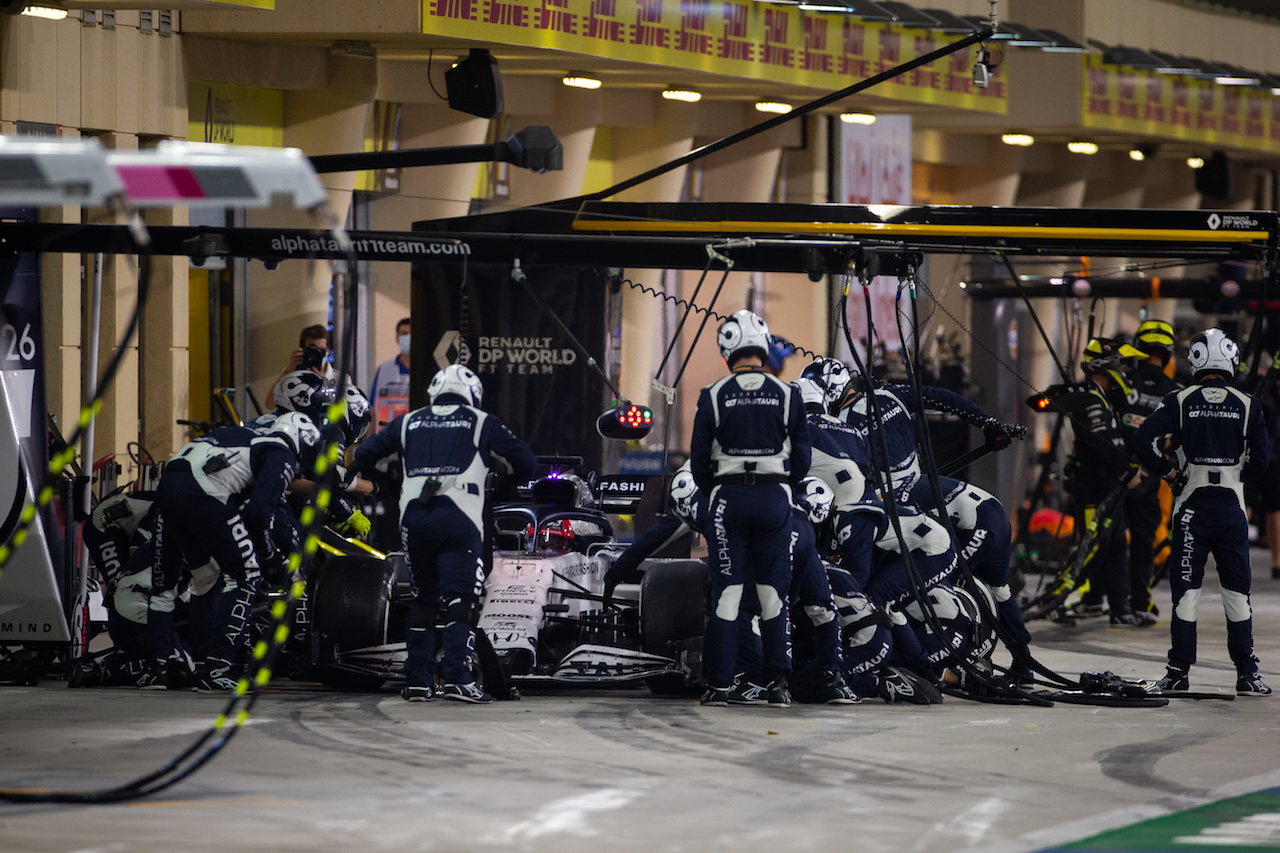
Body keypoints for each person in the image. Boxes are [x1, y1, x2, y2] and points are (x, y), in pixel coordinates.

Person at [355, 363, 536, 703]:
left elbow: (364, 454)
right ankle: (458, 678)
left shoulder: (408, 421)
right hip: (460, 518)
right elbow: (526, 461)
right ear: (474, 396)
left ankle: (419, 682)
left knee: (423, 598)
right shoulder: (482, 421)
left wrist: (396, 479)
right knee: (461, 599)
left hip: (413, 518)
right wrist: (500, 481)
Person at [1134, 329, 1272, 695]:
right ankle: (1247, 673)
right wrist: (1239, 475)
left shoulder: (1177, 400)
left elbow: (1140, 441)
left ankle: (1178, 671)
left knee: (1187, 593)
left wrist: (1168, 472)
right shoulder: (1248, 404)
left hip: (1191, 507)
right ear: (1231, 359)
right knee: (1237, 594)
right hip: (1231, 510)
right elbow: (1262, 460)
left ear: (1193, 359)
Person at [140, 412, 320, 690]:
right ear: (303, 443)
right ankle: (217, 665)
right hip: (204, 491)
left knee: (191, 580)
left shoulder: (242, 438)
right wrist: (270, 556)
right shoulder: (279, 451)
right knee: (247, 576)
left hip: (168, 489)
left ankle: (163, 667)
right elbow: (261, 514)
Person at [690, 309, 811, 708]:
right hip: (775, 499)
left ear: (727, 349)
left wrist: (719, 495)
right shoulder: (789, 394)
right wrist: (781, 488)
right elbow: (804, 460)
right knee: (772, 594)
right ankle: (777, 685)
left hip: (729, 499)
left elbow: (698, 464)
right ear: (763, 347)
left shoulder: (712, 395)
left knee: (728, 595)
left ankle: (720, 685)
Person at [1066, 338, 1151, 626]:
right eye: (1120, 365)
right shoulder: (1090, 398)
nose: (1125, 372)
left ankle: (1121, 609)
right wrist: (1127, 472)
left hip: (1108, 487)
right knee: (1093, 548)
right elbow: (1101, 444)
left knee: (1115, 547)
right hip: (1093, 487)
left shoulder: (1102, 398)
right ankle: (1062, 599)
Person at [1113, 320, 1182, 615]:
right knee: (1143, 541)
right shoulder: (1176, 392)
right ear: (1168, 353)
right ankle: (1139, 600)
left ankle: (1109, 601)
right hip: (1150, 476)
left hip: (1114, 473)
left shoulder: (1121, 382)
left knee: (1110, 542)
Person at [266, 324, 334, 411]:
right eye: (312, 349)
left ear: (328, 351)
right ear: (303, 350)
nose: (316, 354)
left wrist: (325, 383)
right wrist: (289, 370)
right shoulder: (292, 375)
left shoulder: (340, 378)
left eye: (321, 350)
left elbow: (344, 413)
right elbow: (270, 404)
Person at [370, 317, 413, 432]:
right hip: (384, 437)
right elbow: (372, 408)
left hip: (413, 437)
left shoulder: (425, 370)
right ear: (397, 338)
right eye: (404, 333)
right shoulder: (384, 369)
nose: (408, 337)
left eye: (411, 333)